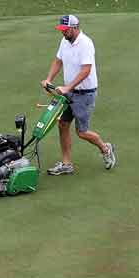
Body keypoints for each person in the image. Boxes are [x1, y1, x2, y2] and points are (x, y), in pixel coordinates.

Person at [40, 13, 114, 175]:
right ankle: (66, 164)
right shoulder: (64, 41)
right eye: (61, 29)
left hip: (84, 93)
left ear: (75, 28)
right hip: (70, 92)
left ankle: (105, 148)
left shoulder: (86, 43)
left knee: (82, 132)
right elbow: (58, 60)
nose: (63, 32)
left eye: (66, 30)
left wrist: (68, 87)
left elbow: (86, 70)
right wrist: (48, 79)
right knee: (62, 124)